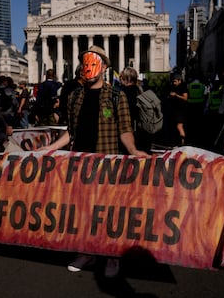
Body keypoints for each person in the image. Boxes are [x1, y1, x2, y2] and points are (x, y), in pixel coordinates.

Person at [41, 45, 147, 277]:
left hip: (107, 163)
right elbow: (71, 131)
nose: (88, 66)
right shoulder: (74, 96)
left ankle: (111, 255)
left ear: (105, 66)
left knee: (108, 212)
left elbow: (125, 130)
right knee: (83, 211)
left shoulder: (117, 96)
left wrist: (134, 150)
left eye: (94, 61)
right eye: (86, 61)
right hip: (80, 163)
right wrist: (50, 148)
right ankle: (87, 252)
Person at [120, 66, 153, 153]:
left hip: (129, 137)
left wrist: (104, 112)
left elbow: (110, 113)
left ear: (127, 79)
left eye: (122, 77)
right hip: (145, 135)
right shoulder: (143, 92)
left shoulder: (122, 93)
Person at [167, 73, 188, 146]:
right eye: (173, 81)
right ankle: (176, 142)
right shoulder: (173, 87)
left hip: (180, 110)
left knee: (179, 126)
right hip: (174, 110)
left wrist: (176, 95)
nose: (174, 83)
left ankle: (183, 142)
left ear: (180, 81)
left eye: (175, 81)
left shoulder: (183, 87)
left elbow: (185, 98)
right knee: (173, 126)